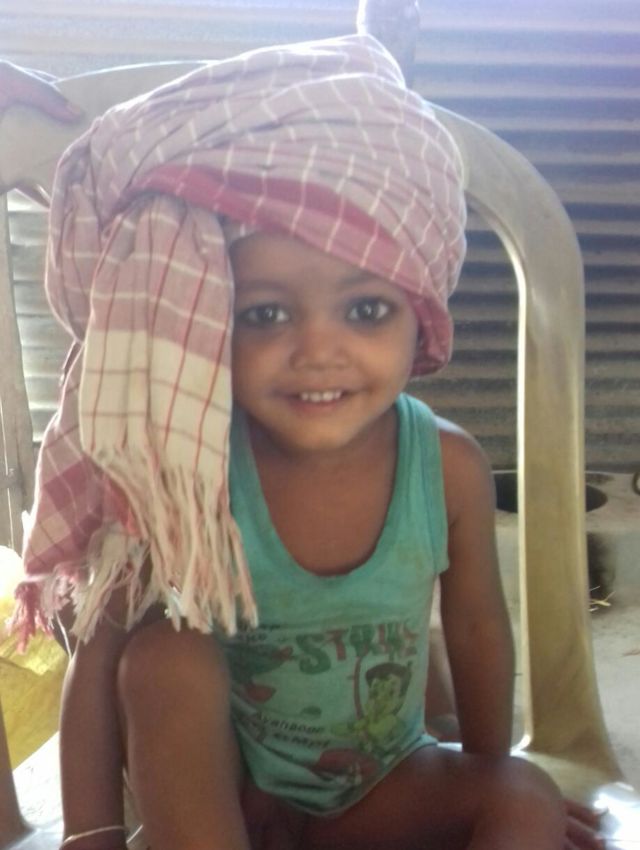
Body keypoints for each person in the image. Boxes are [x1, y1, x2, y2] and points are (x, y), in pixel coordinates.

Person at [9, 34, 605, 850]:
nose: (319, 349)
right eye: (266, 314)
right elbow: (99, 651)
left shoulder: (447, 465)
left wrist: (483, 777)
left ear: (422, 316)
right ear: (213, 324)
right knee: (163, 656)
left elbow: (475, 628)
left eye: (365, 310)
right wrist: (91, 836)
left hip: (382, 789)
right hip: (232, 808)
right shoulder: (184, 465)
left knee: (525, 797)